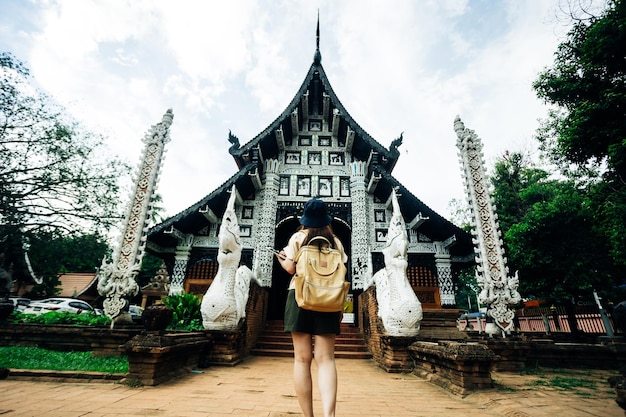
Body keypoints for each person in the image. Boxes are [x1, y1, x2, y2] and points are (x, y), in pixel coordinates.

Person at [275, 198, 348, 417]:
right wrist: (340, 306)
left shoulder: (298, 237)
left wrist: (281, 257)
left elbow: (290, 268)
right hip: (329, 300)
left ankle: (309, 416)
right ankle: (330, 415)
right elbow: (341, 273)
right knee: (326, 359)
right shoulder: (336, 242)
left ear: (305, 220)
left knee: (302, 359)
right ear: (327, 220)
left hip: (299, 298)